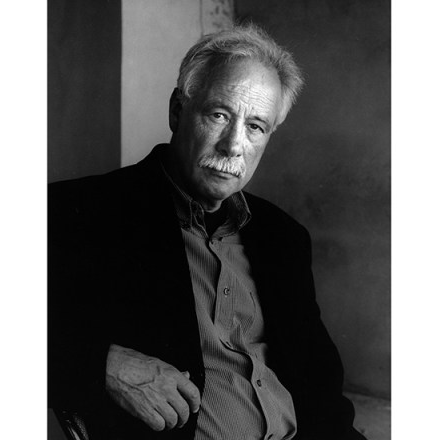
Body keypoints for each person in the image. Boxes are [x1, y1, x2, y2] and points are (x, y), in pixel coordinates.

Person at [49, 24, 366, 440]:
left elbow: (321, 387)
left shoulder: (283, 236)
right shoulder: (80, 211)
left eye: (255, 126)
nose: (233, 145)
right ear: (177, 111)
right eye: (219, 115)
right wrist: (106, 364)